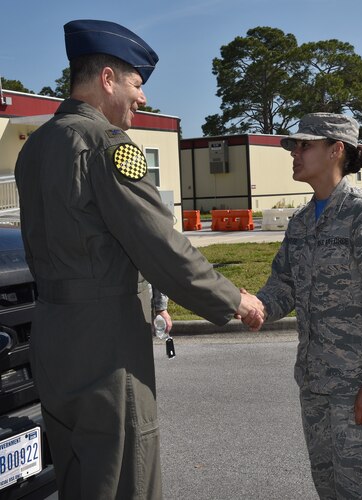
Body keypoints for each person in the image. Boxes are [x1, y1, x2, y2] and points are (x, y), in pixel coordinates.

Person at [14, 19, 264, 500]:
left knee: (76, 478)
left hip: (51, 341)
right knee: (127, 476)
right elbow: (158, 243)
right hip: (105, 347)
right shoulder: (104, 144)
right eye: (136, 84)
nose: (143, 99)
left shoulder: (37, 147)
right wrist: (234, 299)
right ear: (108, 78)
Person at [255, 113, 362, 499]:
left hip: (359, 387)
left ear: (335, 150)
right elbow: (283, 285)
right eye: (294, 146)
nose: (294, 153)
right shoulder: (302, 222)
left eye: (304, 145)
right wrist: (246, 305)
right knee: (329, 491)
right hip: (317, 387)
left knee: (358, 493)